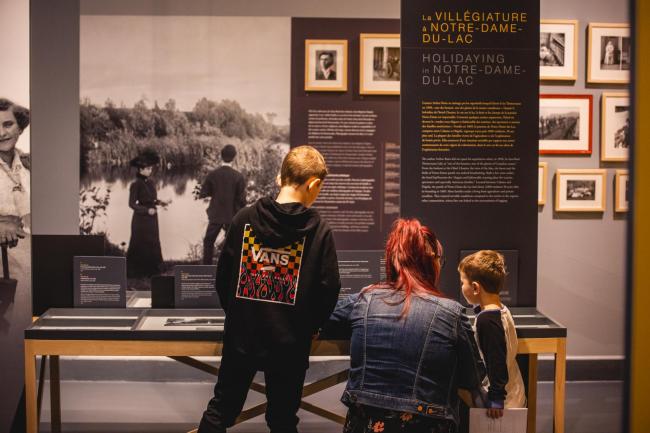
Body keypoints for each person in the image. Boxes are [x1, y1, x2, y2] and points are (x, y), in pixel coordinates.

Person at [198, 145, 341, 433]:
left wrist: (241, 313)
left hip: (242, 337)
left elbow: (224, 278)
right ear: (313, 184)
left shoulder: (243, 219)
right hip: (290, 342)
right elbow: (328, 289)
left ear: (280, 177)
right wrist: (310, 327)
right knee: (283, 420)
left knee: (221, 409)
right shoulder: (319, 231)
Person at [328, 218, 486, 433]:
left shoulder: (364, 300)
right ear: (431, 263)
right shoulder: (452, 312)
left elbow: (317, 319)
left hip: (364, 425)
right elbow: (473, 377)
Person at [458, 250, 526, 418]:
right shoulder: (501, 310)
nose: (461, 287)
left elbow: (496, 359)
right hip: (515, 391)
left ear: (475, 287)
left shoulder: (486, 321)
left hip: (500, 402)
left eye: (462, 282)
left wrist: (496, 398)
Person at [199, 144, 246, 265]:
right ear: (234, 158)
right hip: (232, 215)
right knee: (234, 243)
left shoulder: (213, 175)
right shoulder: (238, 176)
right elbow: (242, 200)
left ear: (221, 157)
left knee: (208, 241)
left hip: (216, 214)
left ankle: (206, 268)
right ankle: (232, 268)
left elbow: (203, 193)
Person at [0, 98, 30, 285]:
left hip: (32, 262)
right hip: (3, 268)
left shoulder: (31, 165)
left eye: (8, 124)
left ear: (20, 128)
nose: (1, 133)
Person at [126, 149, 163, 278]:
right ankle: (138, 272)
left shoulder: (151, 183)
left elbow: (151, 200)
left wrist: (161, 202)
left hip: (152, 218)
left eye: (150, 168)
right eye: (147, 169)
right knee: (140, 242)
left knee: (152, 241)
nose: (150, 171)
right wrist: (147, 210)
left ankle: (152, 269)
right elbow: (132, 204)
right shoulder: (135, 185)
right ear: (140, 170)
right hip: (141, 219)